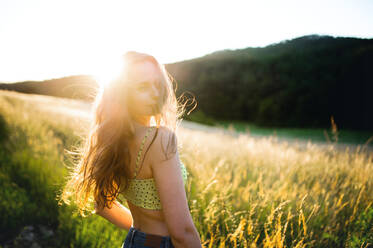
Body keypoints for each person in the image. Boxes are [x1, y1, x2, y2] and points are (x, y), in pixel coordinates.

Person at [60, 51, 202, 248]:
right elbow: (182, 232)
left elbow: (103, 206)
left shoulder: (114, 140)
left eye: (158, 84)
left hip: (134, 241)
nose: (155, 93)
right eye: (143, 87)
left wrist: (142, 235)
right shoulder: (159, 139)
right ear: (123, 94)